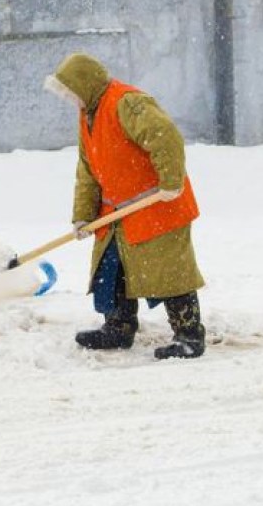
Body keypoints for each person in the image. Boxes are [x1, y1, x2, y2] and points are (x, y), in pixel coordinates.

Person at [44, 52, 206, 359]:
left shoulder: (127, 103)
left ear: (85, 84)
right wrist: (82, 215)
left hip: (159, 204)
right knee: (110, 270)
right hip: (117, 213)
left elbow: (165, 136)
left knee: (170, 272)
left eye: (71, 93)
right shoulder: (88, 114)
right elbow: (87, 169)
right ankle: (118, 328)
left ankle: (189, 336)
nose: (70, 100)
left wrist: (171, 182)